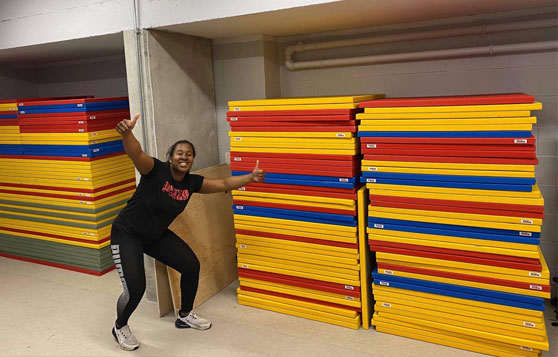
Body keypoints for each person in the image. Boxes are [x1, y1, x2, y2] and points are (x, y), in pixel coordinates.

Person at [110, 113, 265, 351]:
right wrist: (127, 133)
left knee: (191, 266)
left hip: (155, 235)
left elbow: (223, 184)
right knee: (135, 289)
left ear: (192, 161)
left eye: (189, 154)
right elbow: (135, 153)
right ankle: (120, 326)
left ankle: (185, 315)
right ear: (170, 157)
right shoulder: (155, 170)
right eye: (180, 152)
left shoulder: (191, 183)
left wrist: (251, 178)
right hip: (127, 233)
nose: (185, 156)